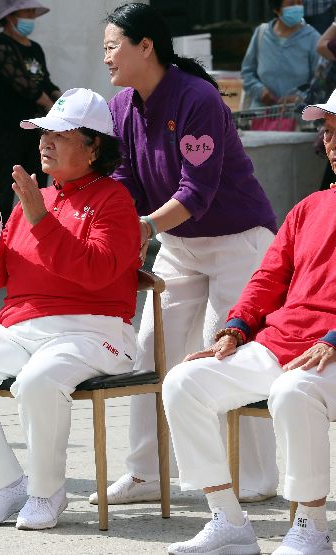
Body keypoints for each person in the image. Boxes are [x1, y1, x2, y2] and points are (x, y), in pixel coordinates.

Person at [93, 3, 280, 507]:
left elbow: (195, 192)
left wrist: (145, 228)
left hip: (237, 243)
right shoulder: (122, 106)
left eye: (113, 46)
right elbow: (124, 178)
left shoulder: (198, 98)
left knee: (227, 354)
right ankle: (147, 473)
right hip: (178, 245)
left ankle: (256, 477)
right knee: (153, 351)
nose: (105, 57)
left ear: (145, 46)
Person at [0, 88, 141, 530]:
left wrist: (39, 217)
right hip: (21, 329)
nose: (45, 141)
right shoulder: (34, 199)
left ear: (94, 146)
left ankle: (47, 493)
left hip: (92, 331)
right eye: (43, 132)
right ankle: (3, 486)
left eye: (60, 134)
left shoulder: (114, 200)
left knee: (38, 382)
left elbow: (96, 271)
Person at [161, 90, 336, 555]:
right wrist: (236, 327)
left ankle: (312, 527)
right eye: (330, 131)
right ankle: (228, 521)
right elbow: (268, 277)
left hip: (329, 353)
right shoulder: (308, 208)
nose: (331, 142)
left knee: (292, 391)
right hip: (282, 345)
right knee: (183, 381)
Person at [0, 0, 60, 222]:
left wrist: (60, 98)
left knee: (36, 185)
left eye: (31, 12)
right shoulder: (0, 46)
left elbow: (44, 81)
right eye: (25, 12)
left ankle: (35, 235)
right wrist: (48, 103)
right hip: (4, 131)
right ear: (11, 16)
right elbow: (23, 83)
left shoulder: (34, 49)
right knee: (3, 189)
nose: (30, 17)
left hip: (34, 130)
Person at [241, 0, 321, 109]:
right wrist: (260, 91)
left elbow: (320, 82)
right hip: (261, 116)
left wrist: (301, 98)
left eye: (299, 3)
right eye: (291, 4)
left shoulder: (313, 38)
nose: (297, 7)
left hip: (298, 117)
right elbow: (247, 73)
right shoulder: (261, 33)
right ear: (276, 9)